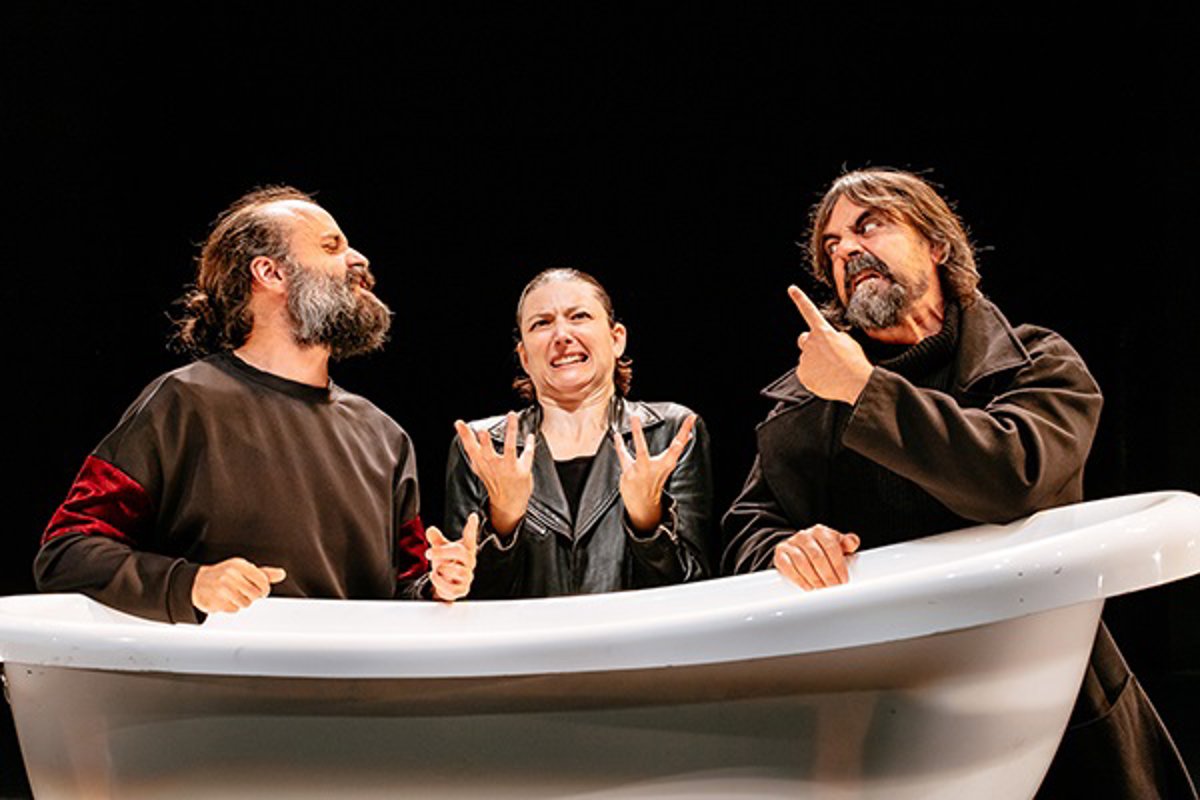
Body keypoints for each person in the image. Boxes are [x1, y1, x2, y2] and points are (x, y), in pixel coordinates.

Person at [722, 168, 1195, 798]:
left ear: (938, 244)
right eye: (831, 246)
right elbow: (747, 527)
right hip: (883, 720)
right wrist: (786, 549)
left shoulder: (1036, 363)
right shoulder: (805, 405)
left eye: (869, 225)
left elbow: (1012, 477)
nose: (846, 251)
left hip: (1046, 705)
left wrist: (866, 389)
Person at [34, 185, 477, 623]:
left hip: (352, 671)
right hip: (218, 670)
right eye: (331, 246)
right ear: (270, 272)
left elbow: (406, 584)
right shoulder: (183, 403)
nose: (358, 259)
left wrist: (438, 583)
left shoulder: (384, 436)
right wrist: (190, 584)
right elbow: (67, 551)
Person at [431, 268, 713, 600]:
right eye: (542, 323)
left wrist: (647, 519)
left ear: (616, 338)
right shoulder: (482, 447)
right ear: (524, 357)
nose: (562, 335)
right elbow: (470, 599)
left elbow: (695, 589)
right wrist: (503, 518)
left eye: (579, 316)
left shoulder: (672, 432)